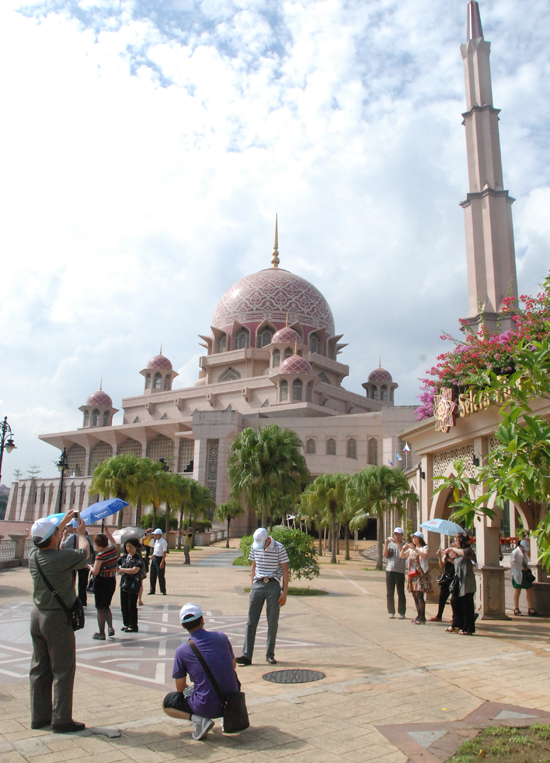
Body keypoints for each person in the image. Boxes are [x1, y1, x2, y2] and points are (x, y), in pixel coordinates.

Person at [28, 510, 89, 733]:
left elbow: (50, 540)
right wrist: (81, 533)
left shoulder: (34, 555)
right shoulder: (62, 558)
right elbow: (84, 555)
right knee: (62, 669)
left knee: (39, 668)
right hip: (56, 618)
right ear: (54, 538)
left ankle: (39, 716)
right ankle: (61, 718)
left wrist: (62, 523)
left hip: (37, 615)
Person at [162, 603, 240, 740]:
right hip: (231, 701)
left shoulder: (182, 651)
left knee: (167, 703)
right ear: (202, 620)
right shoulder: (221, 637)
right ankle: (226, 718)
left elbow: (180, 688)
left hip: (206, 706)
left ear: (183, 626)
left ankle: (199, 720)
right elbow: (233, 665)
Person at [236, 527, 289, 666]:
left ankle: (270, 654)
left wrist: (284, 592)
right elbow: (253, 565)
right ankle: (247, 655)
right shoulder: (255, 546)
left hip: (273, 585)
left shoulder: (279, 548)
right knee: (251, 620)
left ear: (268, 539)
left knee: (272, 621)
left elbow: (285, 570)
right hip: (258, 584)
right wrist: (252, 585)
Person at [445, 533, 477, 635]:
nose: (455, 543)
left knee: (467, 606)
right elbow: (456, 563)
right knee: (455, 602)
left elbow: (466, 554)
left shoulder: (468, 551)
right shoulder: (458, 553)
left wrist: (453, 549)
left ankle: (468, 628)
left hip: (467, 583)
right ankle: (456, 625)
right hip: (459, 582)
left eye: (457, 540)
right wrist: (447, 556)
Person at [89, 530, 118, 640]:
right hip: (111, 580)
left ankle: (102, 633)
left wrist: (90, 568)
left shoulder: (100, 556)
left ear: (99, 545)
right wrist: (107, 532)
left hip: (101, 582)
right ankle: (110, 627)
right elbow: (113, 541)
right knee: (106, 606)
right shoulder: (113, 550)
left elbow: (95, 572)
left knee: (100, 608)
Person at [400, 530, 432, 624]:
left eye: (415, 537)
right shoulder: (411, 549)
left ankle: (422, 616)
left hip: (420, 574)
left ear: (420, 538)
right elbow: (402, 556)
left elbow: (425, 556)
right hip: (412, 574)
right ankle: (418, 615)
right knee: (414, 594)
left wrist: (416, 549)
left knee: (419, 595)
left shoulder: (424, 547)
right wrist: (403, 548)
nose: (414, 539)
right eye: (413, 538)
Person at [118, 537, 146, 632]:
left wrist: (122, 570)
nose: (128, 548)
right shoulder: (124, 557)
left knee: (132, 605)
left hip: (133, 584)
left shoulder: (138, 558)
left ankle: (133, 625)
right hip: (124, 584)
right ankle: (126, 623)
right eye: (127, 546)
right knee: (124, 604)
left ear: (135, 547)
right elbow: (116, 563)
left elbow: (135, 570)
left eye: (130, 546)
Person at [61, 526, 94, 605]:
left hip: (73, 562)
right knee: (83, 584)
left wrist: (64, 536)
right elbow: (91, 549)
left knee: (71, 582)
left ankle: (71, 599)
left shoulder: (72, 536)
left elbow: (62, 546)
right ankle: (82, 601)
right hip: (84, 563)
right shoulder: (88, 538)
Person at [511, 539, 540, 617]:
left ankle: (530, 608)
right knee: (518, 590)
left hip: (525, 573)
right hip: (518, 573)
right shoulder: (515, 552)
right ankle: (516, 608)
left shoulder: (524, 553)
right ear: (520, 546)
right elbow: (512, 562)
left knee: (529, 589)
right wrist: (522, 567)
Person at [429, 543, 458, 622]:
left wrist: (450, 559)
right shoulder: (447, 555)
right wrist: (440, 556)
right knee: (442, 597)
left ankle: (455, 617)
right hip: (446, 578)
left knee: (454, 599)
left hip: (455, 579)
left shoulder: (458, 555)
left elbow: (457, 565)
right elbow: (442, 566)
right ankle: (439, 615)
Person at [383, 527, 406, 619]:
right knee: (389, 592)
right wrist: (386, 544)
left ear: (401, 535)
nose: (396, 536)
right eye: (395, 534)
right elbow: (385, 555)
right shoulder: (390, 544)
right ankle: (391, 611)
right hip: (390, 570)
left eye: (398, 534)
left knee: (400, 592)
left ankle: (402, 611)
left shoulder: (404, 545)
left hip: (399, 571)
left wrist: (398, 543)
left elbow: (403, 554)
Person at [148, 528, 168, 595]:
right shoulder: (156, 541)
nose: (154, 536)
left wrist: (162, 561)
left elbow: (164, 552)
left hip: (160, 558)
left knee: (161, 575)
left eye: (156, 534)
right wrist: (152, 556)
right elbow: (155, 550)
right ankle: (152, 590)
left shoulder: (163, 542)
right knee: (152, 575)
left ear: (159, 535)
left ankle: (163, 590)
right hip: (155, 558)